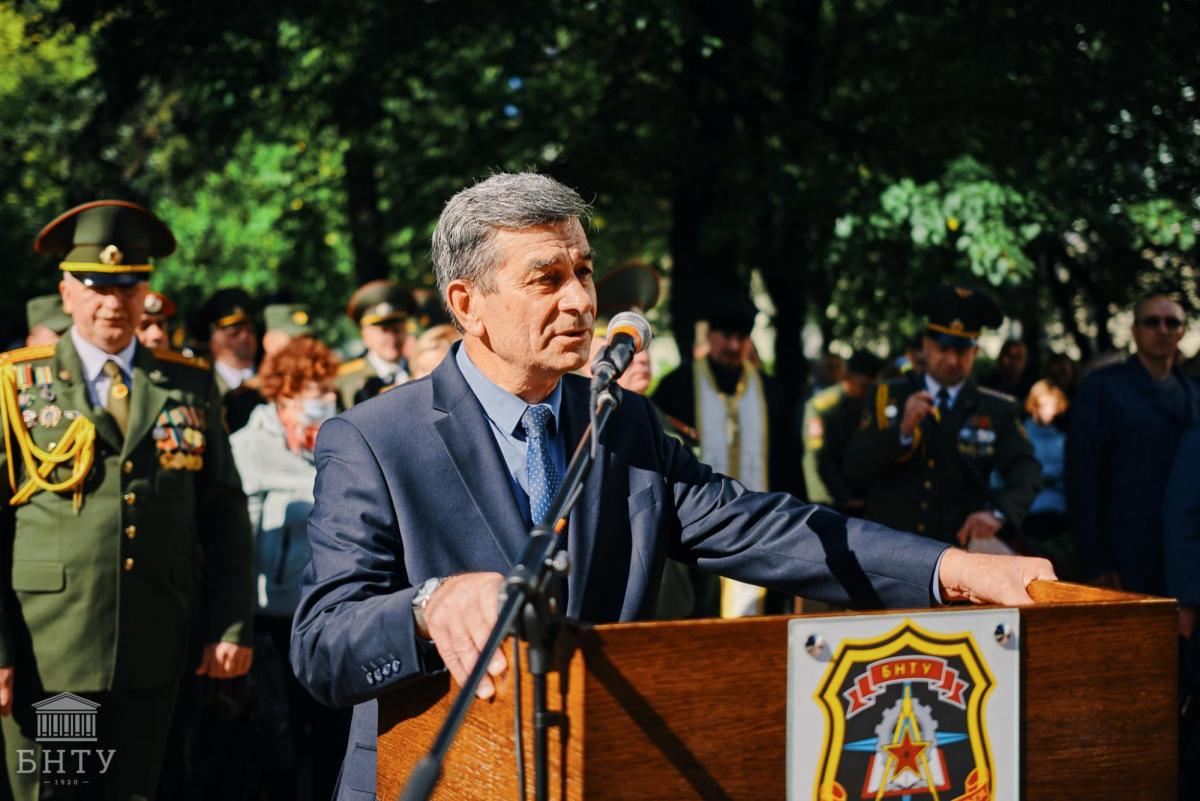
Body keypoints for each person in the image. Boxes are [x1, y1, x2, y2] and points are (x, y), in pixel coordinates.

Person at [288, 173, 1056, 801]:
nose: (583, 301)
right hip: (440, 779)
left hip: (604, 773)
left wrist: (950, 570)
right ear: (467, 305)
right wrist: (427, 607)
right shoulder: (374, 439)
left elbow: (765, 528)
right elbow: (323, 645)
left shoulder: (625, 423)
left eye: (583, 271)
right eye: (547, 279)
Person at [0, 200, 254, 800]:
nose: (112, 301)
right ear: (66, 292)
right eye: (94, 284)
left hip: (158, 648)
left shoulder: (186, 384)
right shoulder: (16, 384)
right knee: (60, 792)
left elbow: (222, 513)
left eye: (128, 284)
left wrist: (232, 623)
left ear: (145, 292)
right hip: (51, 651)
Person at [229, 336, 349, 801]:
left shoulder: (339, 440)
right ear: (284, 397)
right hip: (268, 622)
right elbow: (238, 545)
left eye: (327, 393)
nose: (322, 405)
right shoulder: (247, 449)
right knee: (276, 741)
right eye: (311, 395)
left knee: (325, 736)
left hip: (323, 614)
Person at [845, 286, 1042, 550]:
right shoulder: (887, 395)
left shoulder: (997, 408)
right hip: (887, 549)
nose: (951, 360)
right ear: (926, 345)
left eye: (961, 351)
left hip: (953, 554)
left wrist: (998, 513)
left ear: (975, 352)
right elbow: (854, 470)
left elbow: (1026, 470)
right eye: (943, 348)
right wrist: (902, 431)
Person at [651, 289, 802, 617]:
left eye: (742, 337)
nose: (734, 346)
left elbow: (789, 465)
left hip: (764, 533)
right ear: (710, 335)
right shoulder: (677, 388)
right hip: (693, 537)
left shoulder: (771, 393)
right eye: (726, 337)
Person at [1066, 294, 1200, 593]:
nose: (1162, 330)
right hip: (1123, 553)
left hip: (1185, 558)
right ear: (1136, 330)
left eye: (1172, 322)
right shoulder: (1101, 388)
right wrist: (1094, 562)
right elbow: (1081, 478)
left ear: (1182, 331)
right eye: (1152, 322)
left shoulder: (1194, 391)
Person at [802, 349, 884, 514]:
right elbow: (819, 458)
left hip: (856, 497)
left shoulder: (866, 403)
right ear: (848, 377)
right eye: (864, 386)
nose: (868, 392)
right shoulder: (822, 407)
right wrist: (844, 497)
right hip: (827, 498)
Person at [334, 280, 415, 409]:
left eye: (397, 330)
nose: (392, 338)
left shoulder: (421, 371)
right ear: (365, 335)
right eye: (384, 331)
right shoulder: (346, 381)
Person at [1021, 380, 1073, 573]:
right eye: (1045, 404)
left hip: (1059, 521)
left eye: (1055, 404)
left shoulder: (1063, 440)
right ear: (1034, 405)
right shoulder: (1020, 437)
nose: (1051, 410)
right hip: (1027, 519)